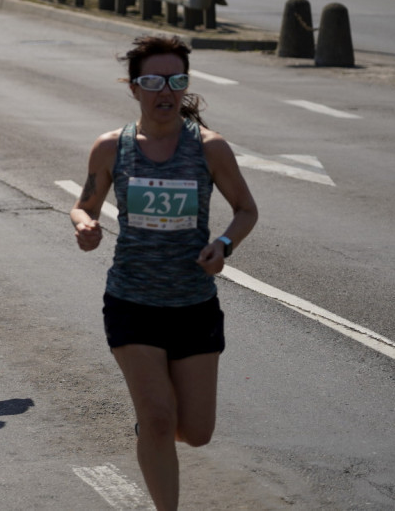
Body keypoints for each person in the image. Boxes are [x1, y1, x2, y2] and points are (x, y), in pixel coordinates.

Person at [70, 34, 257, 511]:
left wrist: (224, 244)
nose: (165, 91)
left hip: (193, 304)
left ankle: (152, 429)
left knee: (196, 432)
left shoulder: (210, 149)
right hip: (132, 302)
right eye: (153, 81)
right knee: (157, 419)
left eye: (176, 80)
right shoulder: (112, 148)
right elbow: (83, 205)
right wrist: (86, 225)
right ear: (135, 87)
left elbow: (245, 210)